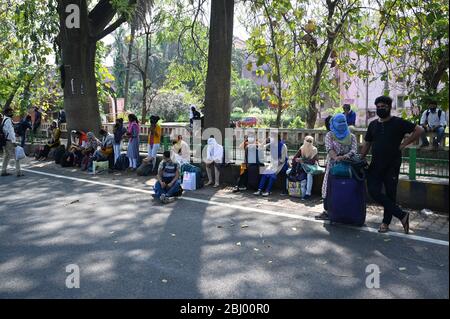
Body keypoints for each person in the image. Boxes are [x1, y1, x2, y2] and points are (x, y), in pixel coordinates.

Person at [361, 96, 424, 234]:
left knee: (390, 194)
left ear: (389, 107)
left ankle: (385, 223)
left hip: (392, 165)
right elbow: (367, 143)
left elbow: (419, 130)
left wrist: (404, 144)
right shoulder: (373, 125)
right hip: (376, 164)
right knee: (373, 191)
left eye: (383, 106)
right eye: (377, 107)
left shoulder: (398, 123)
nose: (380, 109)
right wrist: (360, 157)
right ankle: (402, 215)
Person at [315, 114, 357, 220]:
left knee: (344, 188)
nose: (341, 124)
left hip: (347, 167)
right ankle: (327, 211)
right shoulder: (330, 135)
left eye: (343, 122)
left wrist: (343, 157)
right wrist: (336, 157)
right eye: (339, 122)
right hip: (333, 167)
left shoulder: (351, 136)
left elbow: (354, 150)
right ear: (333, 124)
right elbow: (329, 148)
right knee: (329, 187)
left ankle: (344, 211)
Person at [292, 136, 319, 200]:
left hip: (312, 167)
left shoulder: (314, 149)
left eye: (310, 141)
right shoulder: (302, 148)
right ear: (304, 141)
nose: (309, 143)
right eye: (307, 141)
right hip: (303, 166)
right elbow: (294, 158)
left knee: (309, 174)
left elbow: (312, 162)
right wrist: (297, 160)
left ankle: (308, 193)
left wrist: (302, 160)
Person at [1, 108, 23, 177]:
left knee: (6, 156)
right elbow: (10, 132)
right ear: (7, 113)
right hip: (10, 141)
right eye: (10, 112)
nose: (12, 113)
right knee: (17, 156)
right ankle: (18, 172)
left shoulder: (4, 119)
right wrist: (13, 141)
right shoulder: (8, 120)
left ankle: (3, 171)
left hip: (5, 141)